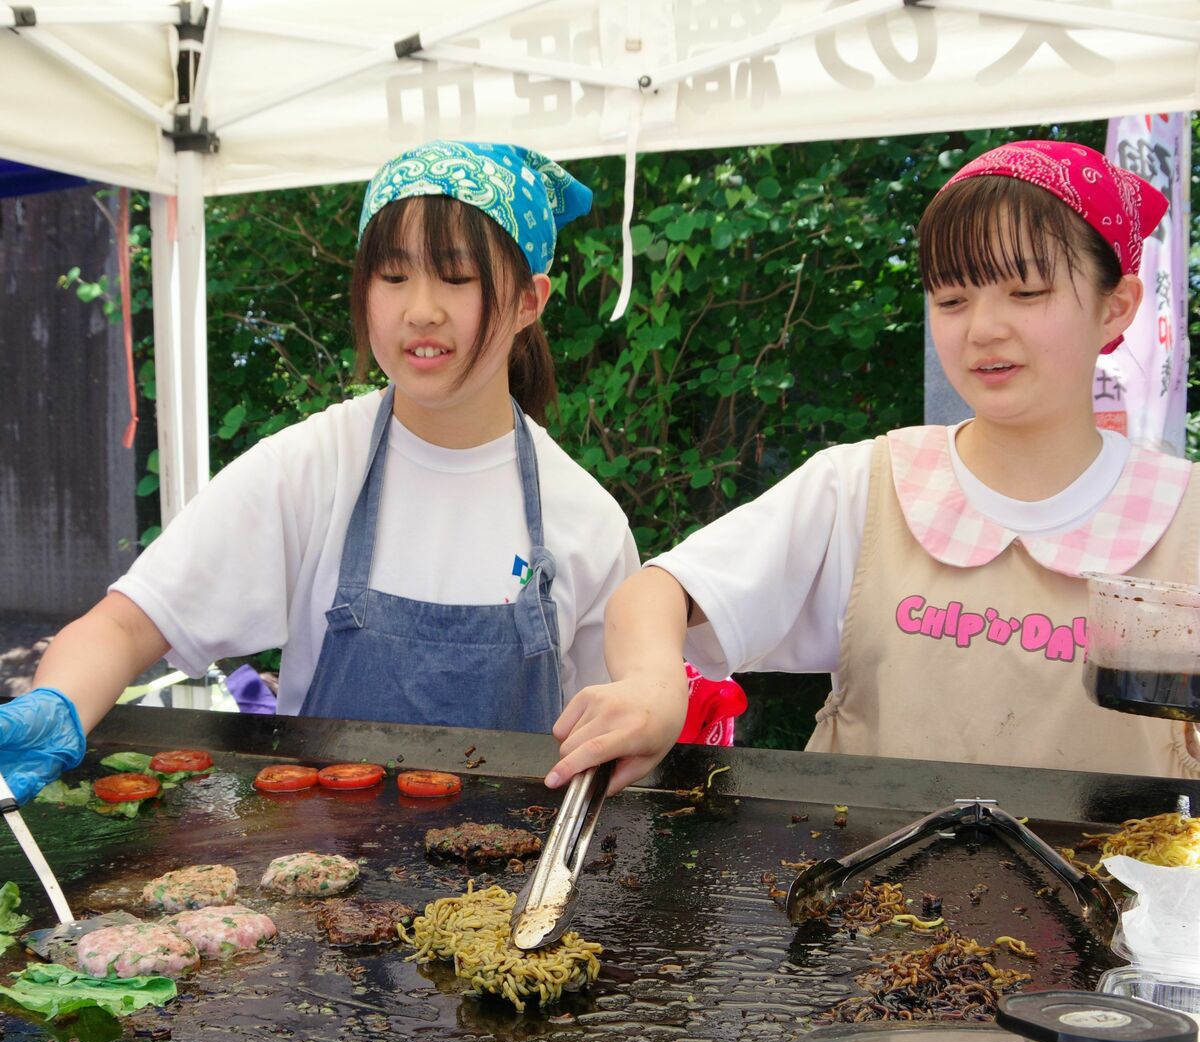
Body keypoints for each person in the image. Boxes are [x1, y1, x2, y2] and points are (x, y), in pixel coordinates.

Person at [547, 139, 1200, 794]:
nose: (984, 328)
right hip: (877, 892)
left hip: (1124, 892)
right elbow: (656, 593)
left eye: (1026, 292)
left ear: (1116, 306)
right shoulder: (870, 488)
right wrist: (654, 688)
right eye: (951, 300)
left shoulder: (1186, 520)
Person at [0, 139, 639, 803]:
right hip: (316, 893)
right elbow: (126, 625)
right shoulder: (308, 471)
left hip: (518, 898)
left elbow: (613, 753)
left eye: (456, 276)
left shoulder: (587, 524)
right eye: (393, 276)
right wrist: (56, 706)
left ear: (530, 300)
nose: (420, 308)